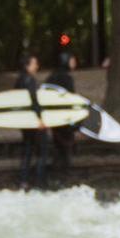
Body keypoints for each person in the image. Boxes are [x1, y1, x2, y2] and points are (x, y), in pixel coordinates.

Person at [14, 53, 50, 189]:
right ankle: (40, 183)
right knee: (42, 151)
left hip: (24, 122)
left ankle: (24, 181)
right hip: (34, 122)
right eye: (34, 63)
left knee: (27, 150)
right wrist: (40, 119)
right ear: (27, 65)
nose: (37, 66)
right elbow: (34, 101)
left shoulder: (19, 80)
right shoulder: (30, 80)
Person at [45, 52, 78, 183]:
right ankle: (65, 175)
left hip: (54, 118)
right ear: (66, 61)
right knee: (66, 146)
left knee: (58, 145)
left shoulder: (50, 77)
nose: (74, 63)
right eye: (72, 60)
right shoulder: (67, 78)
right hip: (64, 118)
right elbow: (70, 99)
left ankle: (56, 175)